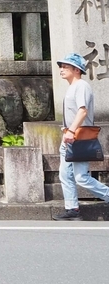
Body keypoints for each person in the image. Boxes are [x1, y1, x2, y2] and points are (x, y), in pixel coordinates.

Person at [53, 52, 109, 220]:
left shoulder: (81, 86)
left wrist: (71, 131)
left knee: (81, 177)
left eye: (65, 67)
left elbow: (82, 111)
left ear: (77, 70)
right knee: (65, 174)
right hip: (69, 137)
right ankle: (72, 209)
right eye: (61, 67)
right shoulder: (73, 87)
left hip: (77, 137)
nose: (61, 69)